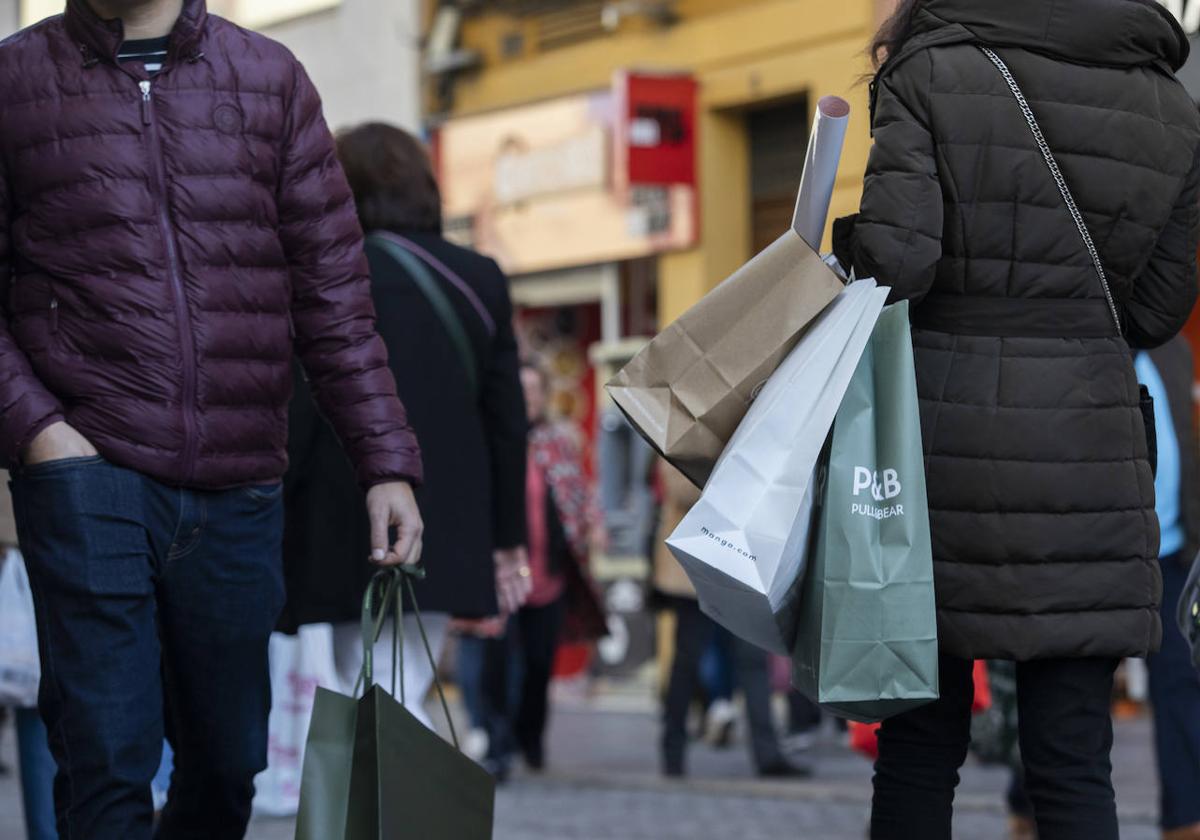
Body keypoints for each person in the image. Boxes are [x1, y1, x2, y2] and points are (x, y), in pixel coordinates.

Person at [0, 2, 426, 838]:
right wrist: (43, 435)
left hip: (239, 485)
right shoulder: (13, 82)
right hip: (90, 472)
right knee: (106, 761)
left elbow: (333, 295)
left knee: (229, 762)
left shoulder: (270, 79)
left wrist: (385, 461)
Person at [833, 2, 1200, 838]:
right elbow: (1157, 309)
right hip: (1091, 459)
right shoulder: (1171, 104)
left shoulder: (928, 69)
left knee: (921, 748)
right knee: (1073, 762)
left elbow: (900, 261)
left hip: (940, 453)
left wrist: (846, 241)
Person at [281, 122, 529, 727]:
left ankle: (372, 812)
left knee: (348, 680)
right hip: (443, 518)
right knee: (405, 685)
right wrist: (507, 539)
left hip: (340, 515)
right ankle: (395, 808)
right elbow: (506, 422)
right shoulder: (478, 277)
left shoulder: (320, 273)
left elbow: (295, 406)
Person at [653, 463, 809, 780]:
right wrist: (733, 480)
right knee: (687, 661)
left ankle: (768, 754)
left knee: (752, 659)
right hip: (692, 563)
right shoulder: (683, 421)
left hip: (739, 562)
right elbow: (679, 489)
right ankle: (673, 751)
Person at [1136, 337, 1200, 840]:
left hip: (1174, 551)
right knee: (1067, 692)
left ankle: (1185, 820)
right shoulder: (1086, 344)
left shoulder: (1173, 352)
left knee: (1181, 685)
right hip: (1098, 555)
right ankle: (1030, 805)